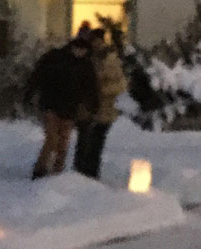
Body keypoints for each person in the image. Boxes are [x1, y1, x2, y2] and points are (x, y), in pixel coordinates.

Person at [26, 37, 99, 179]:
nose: (80, 53)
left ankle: (57, 172)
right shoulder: (55, 58)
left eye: (83, 51)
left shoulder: (86, 65)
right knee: (52, 138)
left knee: (63, 142)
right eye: (78, 49)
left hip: (70, 108)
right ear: (72, 47)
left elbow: (91, 88)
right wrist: (30, 92)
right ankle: (40, 169)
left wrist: (93, 106)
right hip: (50, 104)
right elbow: (38, 75)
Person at [73, 30, 127, 178]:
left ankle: (91, 173)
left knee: (95, 143)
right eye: (93, 41)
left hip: (104, 109)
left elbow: (121, 84)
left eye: (98, 41)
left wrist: (101, 89)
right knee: (83, 140)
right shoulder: (87, 57)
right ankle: (79, 173)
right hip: (86, 109)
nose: (95, 44)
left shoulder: (110, 59)